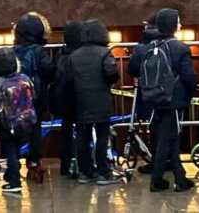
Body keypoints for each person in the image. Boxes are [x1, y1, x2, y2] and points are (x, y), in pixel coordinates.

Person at [142, 8, 197, 194]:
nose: (180, 24)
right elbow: (189, 76)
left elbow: (135, 68)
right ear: (173, 25)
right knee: (167, 139)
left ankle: (180, 177)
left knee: (171, 138)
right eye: (178, 21)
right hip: (174, 99)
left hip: (155, 98)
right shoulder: (180, 47)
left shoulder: (151, 46)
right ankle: (157, 179)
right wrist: (189, 95)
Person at [69, 19, 122, 185]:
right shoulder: (104, 53)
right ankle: (104, 172)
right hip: (101, 100)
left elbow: (68, 79)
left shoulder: (74, 55)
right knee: (102, 136)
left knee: (83, 137)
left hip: (80, 102)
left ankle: (85, 172)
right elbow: (112, 73)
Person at [12, 11, 56, 180]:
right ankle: (34, 162)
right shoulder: (39, 51)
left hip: (16, 98)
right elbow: (48, 69)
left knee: (15, 130)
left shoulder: (14, 50)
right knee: (35, 129)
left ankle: (14, 162)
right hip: (35, 96)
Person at [0, 48, 28, 195]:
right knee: (16, 149)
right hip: (26, 121)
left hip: (7, 123)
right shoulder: (24, 78)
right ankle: (12, 172)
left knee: (10, 150)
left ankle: (14, 181)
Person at [126, 15, 160, 175]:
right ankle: (169, 160)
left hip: (147, 93)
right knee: (168, 128)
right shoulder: (172, 45)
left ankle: (156, 162)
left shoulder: (141, 48)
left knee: (154, 128)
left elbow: (132, 69)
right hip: (168, 94)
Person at [52, 19, 84, 179]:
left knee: (65, 130)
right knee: (81, 131)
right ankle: (81, 165)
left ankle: (65, 165)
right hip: (79, 98)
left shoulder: (59, 53)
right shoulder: (81, 55)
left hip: (62, 99)